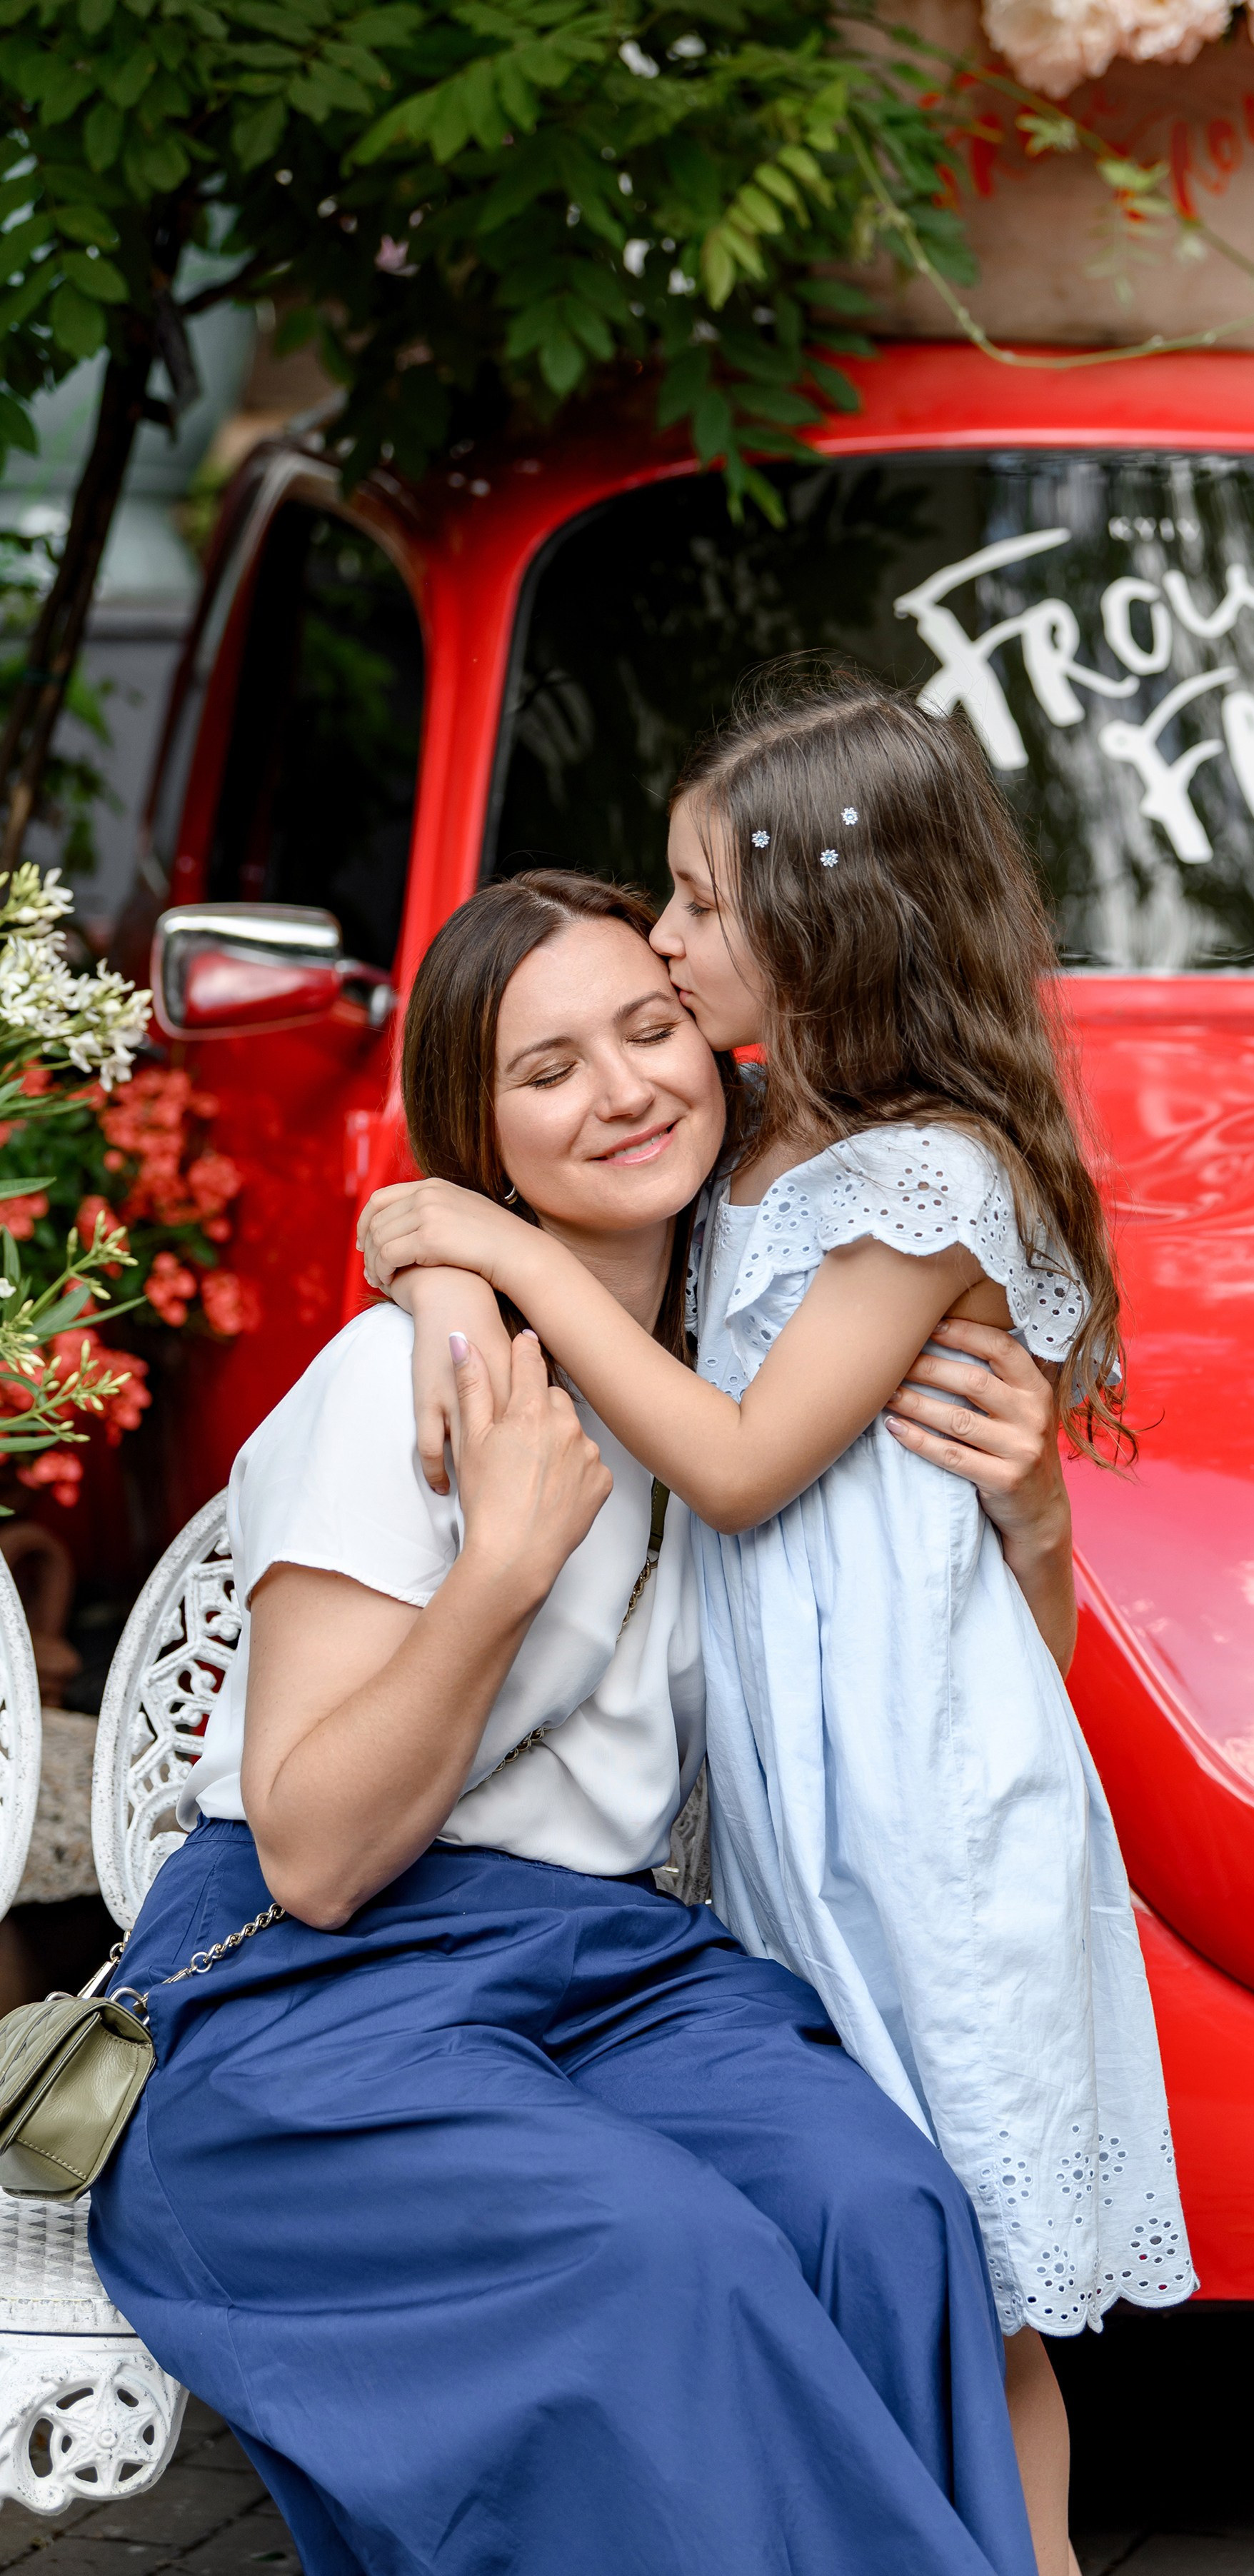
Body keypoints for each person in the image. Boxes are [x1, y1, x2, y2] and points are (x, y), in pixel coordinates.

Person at [89, 870, 1079, 2576]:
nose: (622, 1089)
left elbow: (970, 1694)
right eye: (547, 1070)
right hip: (319, 2003)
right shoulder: (396, 1387)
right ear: (478, 1128)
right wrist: (502, 1570)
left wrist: (1038, 1520)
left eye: (650, 1028)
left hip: (612, 1971)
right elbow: (316, 1854)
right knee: (659, 2260)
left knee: (882, 2207)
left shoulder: (756, 1387)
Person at [359, 669, 1197, 2576]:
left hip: (917, 1813)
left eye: (699, 906)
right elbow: (516, 1206)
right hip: (807, 1803)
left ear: (822, 931)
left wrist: (484, 1251)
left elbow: (737, 1465)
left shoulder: (923, 1179)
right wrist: (443, 1270)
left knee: (966, 2300)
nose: (664, 942)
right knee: (860, 2263)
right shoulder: (751, 1148)